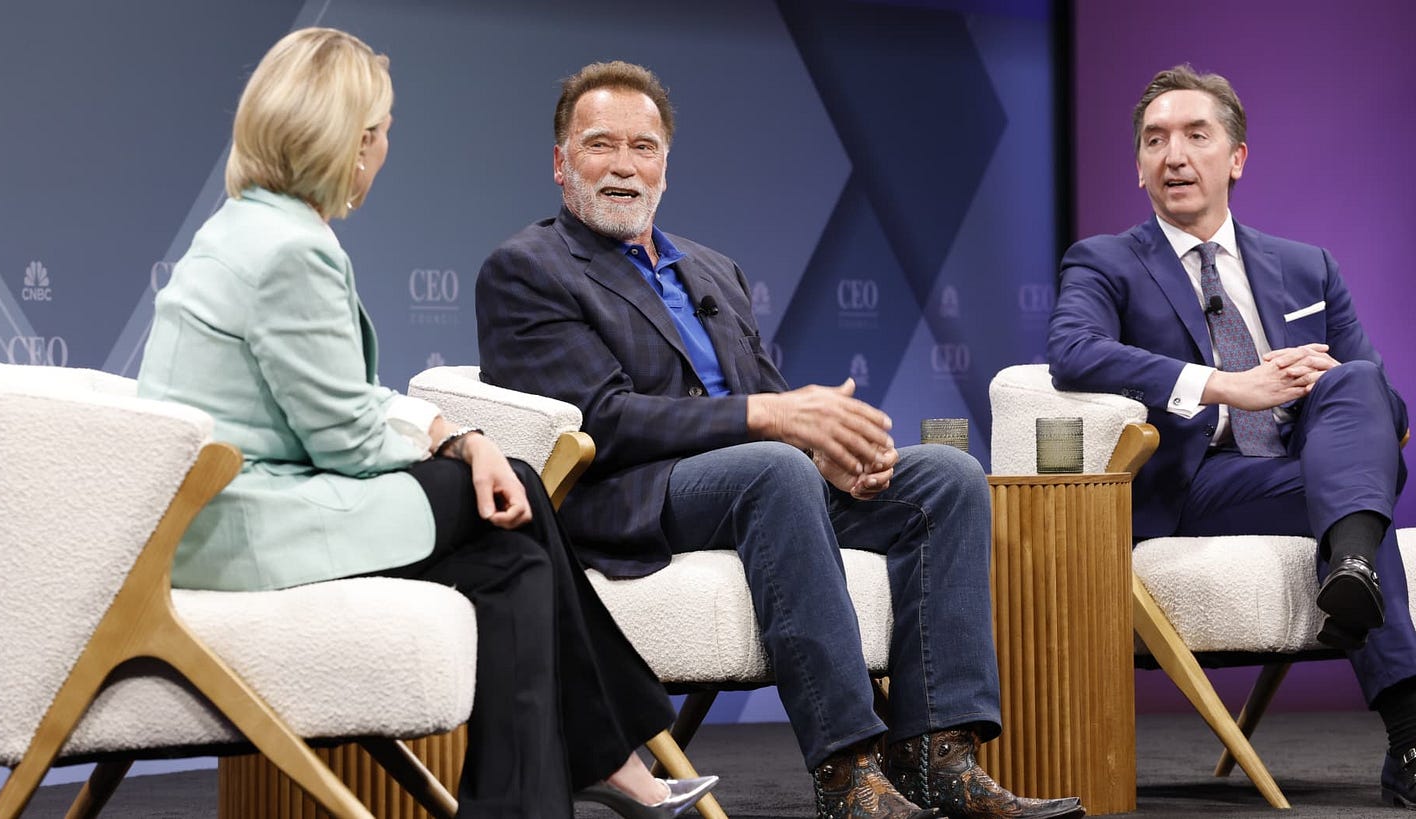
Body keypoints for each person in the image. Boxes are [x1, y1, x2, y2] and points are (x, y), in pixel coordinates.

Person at [475, 60, 1084, 819]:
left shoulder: (711, 268)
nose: (624, 165)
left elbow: (764, 395)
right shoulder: (528, 269)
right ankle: (847, 768)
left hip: (759, 484)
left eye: (644, 146)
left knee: (945, 477)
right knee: (771, 466)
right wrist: (776, 424)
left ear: (667, 162)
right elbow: (604, 418)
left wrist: (828, 451)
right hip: (632, 496)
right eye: (600, 145)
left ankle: (936, 755)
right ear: (561, 163)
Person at [135, 29, 716, 819]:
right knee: (512, 498)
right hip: (244, 523)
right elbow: (342, 438)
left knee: (511, 563)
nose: (384, 150)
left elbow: (338, 397)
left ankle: (577, 776)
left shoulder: (246, 225)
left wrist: (455, 435)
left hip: (229, 507)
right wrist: (464, 447)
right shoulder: (292, 251)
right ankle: (612, 755)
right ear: (352, 142)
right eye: (381, 132)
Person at [1047, 64, 1416, 808]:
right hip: (1193, 485)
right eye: (1155, 140)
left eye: (1195, 135)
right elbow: (1072, 351)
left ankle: (1349, 563)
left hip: (1298, 469)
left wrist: (1319, 375)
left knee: (1351, 382)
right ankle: (1409, 727)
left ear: (1237, 157)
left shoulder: (1305, 265)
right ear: (1139, 164)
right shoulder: (1107, 260)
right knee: (1358, 501)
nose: (1173, 154)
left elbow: (1388, 412)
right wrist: (1223, 385)